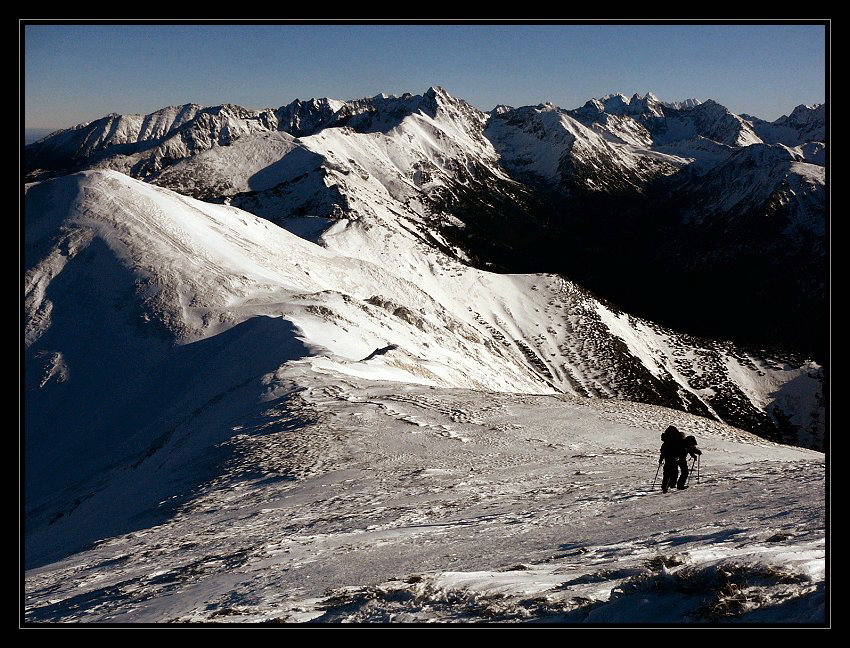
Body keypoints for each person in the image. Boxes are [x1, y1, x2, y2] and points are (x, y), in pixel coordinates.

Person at [658, 425, 700, 492]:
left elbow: (689, 449)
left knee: (670, 473)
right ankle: (676, 486)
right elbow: (689, 449)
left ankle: (667, 486)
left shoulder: (678, 442)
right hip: (676, 458)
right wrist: (694, 454)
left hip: (674, 459)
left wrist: (661, 459)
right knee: (676, 472)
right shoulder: (680, 443)